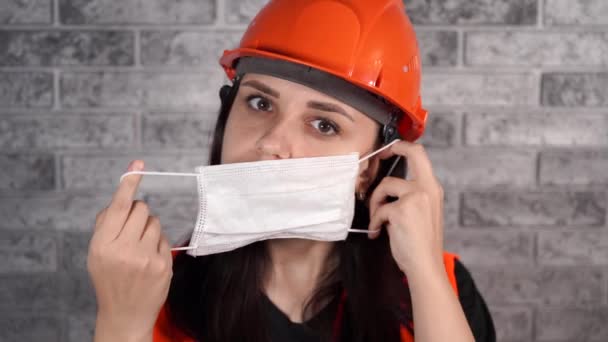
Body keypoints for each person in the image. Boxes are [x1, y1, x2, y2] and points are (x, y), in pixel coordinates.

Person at [87, 1, 496, 341]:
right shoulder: (152, 294)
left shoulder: (440, 288)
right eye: (260, 104)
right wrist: (121, 325)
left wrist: (425, 276)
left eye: (324, 124)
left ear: (368, 170)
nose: (271, 144)